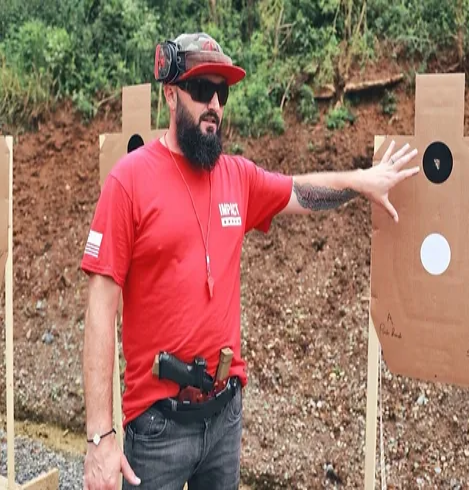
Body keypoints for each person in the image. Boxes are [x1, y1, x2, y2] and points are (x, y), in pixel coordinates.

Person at [81, 32, 419, 490]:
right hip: (158, 428)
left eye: (222, 93)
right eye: (202, 89)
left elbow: (301, 191)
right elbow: (100, 310)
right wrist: (100, 436)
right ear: (170, 94)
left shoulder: (236, 176)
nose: (214, 105)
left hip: (224, 417)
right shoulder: (129, 181)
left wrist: (361, 182)